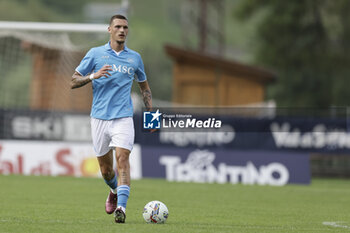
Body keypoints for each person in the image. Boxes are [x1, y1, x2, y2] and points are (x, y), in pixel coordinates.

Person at [71, 14, 153, 223]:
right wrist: (93, 76)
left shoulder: (135, 58)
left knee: (123, 160)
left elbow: (144, 87)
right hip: (99, 118)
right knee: (106, 171)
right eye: (118, 26)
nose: (122, 30)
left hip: (123, 117)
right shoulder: (95, 54)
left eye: (125, 27)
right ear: (110, 30)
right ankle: (114, 190)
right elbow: (73, 81)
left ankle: (122, 209)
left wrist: (152, 116)